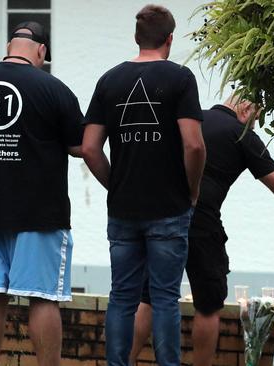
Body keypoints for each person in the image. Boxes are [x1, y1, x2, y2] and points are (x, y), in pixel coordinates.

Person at [129, 96, 274, 366]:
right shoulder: (242, 136)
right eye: (257, 116)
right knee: (208, 305)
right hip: (201, 223)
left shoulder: (191, 121)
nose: (256, 123)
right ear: (246, 108)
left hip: (159, 216)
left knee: (148, 297)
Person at [0, 21, 84, 366]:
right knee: (42, 299)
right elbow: (80, 146)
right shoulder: (54, 89)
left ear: (9, 46)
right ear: (41, 51)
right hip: (39, 214)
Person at [82, 4, 206, 366]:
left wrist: (115, 184)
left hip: (123, 209)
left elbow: (89, 147)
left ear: (137, 38)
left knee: (121, 296)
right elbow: (195, 144)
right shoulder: (180, 79)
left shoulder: (109, 80)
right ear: (170, 38)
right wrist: (192, 189)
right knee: (166, 298)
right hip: (169, 207)